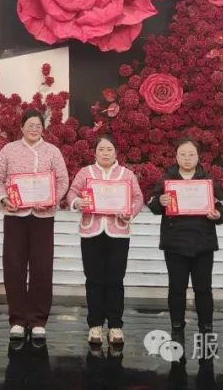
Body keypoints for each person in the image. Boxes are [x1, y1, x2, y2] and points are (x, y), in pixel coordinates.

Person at [0, 108, 70, 342]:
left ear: (43, 128)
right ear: (22, 127)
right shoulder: (9, 150)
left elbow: (63, 180)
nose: (34, 129)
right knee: (14, 266)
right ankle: (17, 319)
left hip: (43, 217)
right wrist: (4, 199)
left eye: (38, 125)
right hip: (15, 216)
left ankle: (37, 320)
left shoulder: (52, 151)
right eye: (30, 125)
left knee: (41, 268)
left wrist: (53, 199)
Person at [64, 134, 144, 347]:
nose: (105, 153)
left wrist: (130, 211)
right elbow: (72, 192)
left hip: (118, 233)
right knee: (94, 280)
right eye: (101, 149)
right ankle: (95, 325)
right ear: (95, 152)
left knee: (116, 280)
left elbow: (138, 198)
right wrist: (77, 202)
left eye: (109, 149)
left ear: (116, 152)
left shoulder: (126, 174)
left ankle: (115, 325)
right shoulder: (85, 173)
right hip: (91, 232)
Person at [148, 137, 223, 340]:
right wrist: (160, 201)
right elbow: (153, 205)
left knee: (203, 289)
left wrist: (217, 215)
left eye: (191, 154)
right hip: (174, 243)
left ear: (198, 156)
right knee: (177, 288)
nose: (187, 158)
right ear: (176, 156)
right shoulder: (167, 179)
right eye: (182, 154)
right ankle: (177, 326)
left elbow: (222, 209)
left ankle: (206, 326)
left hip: (203, 243)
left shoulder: (208, 180)